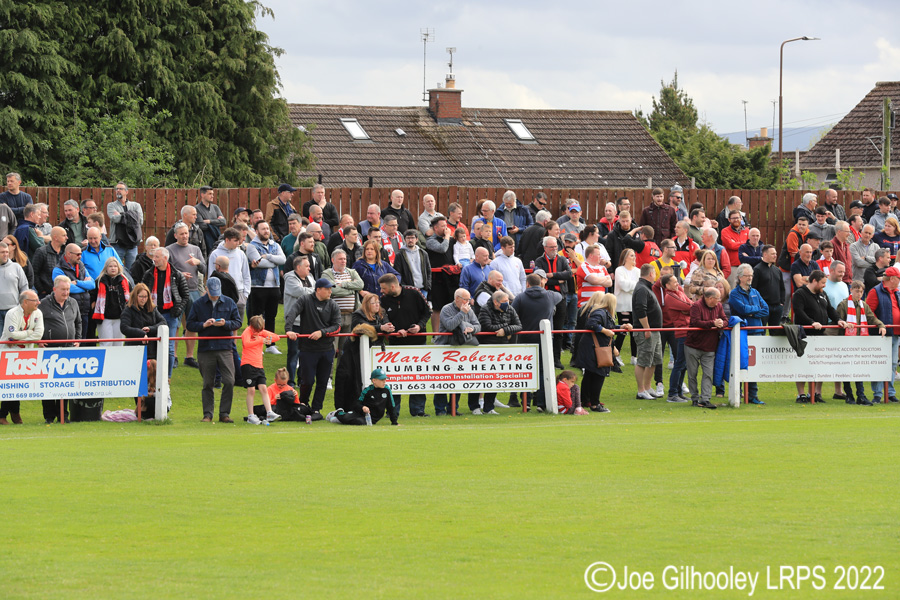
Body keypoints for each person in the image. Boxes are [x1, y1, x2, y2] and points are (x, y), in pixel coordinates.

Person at [186, 277, 242, 422]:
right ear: (207, 289)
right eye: (212, 293)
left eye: (217, 293)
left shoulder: (229, 302)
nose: (215, 296)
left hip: (225, 347)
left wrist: (225, 323)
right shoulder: (198, 304)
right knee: (207, 383)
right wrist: (203, 325)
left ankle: (224, 414)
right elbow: (190, 325)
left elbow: (238, 322)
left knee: (229, 381)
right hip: (206, 348)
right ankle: (207, 414)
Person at [284, 278, 341, 415]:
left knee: (322, 381)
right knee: (307, 380)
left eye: (330, 289)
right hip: (308, 349)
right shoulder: (305, 300)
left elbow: (337, 327)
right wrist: (288, 329)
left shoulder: (333, 305)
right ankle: (303, 404)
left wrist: (322, 333)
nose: (330, 291)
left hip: (327, 349)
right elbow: (292, 313)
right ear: (318, 290)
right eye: (327, 289)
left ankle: (316, 409)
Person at [378, 273, 431, 416]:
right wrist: (394, 330)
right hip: (396, 345)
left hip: (418, 343)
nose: (381, 291)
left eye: (383, 288)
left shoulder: (414, 293)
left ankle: (418, 410)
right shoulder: (383, 300)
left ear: (393, 286)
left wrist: (419, 326)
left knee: (418, 377)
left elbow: (427, 312)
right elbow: (383, 318)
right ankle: (393, 411)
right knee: (394, 379)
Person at [793, 270, 849, 403]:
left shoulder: (822, 294)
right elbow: (799, 312)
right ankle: (801, 394)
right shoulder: (800, 294)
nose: (824, 285)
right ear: (814, 281)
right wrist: (811, 322)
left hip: (821, 335)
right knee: (802, 365)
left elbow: (829, 309)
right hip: (805, 335)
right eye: (823, 283)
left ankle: (816, 393)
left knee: (819, 364)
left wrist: (838, 320)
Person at [512, 273, 563, 411]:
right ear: (541, 283)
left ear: (527, 284)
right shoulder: (550, 296)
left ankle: (526, 402)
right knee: (543, 370)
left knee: (526, 370)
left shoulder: (521, 297)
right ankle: (541, 403)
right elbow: (560, 296)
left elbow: (513, 314)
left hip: (525, 338)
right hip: (544, 339)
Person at [833, 280, 884, 405]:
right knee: (846, 369)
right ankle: (849, 394)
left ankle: (860, 394)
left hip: (859, 342)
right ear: (851, 290)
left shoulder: (864, 305)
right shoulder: (843, 305)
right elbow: (838, 321)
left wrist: (880, 325)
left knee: (859, 368)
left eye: (861, 291)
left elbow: (871, 317)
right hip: (845, 342)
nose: (859, 294)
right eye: (857, 291)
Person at [38, 276, 81, 423]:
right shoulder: (43, 304)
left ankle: (64, 415)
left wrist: (78, 339)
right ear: (54, 289)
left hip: (68, 350)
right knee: (48, 385)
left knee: (66, 385)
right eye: (63, 289)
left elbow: (78, 322)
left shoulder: (73, 303)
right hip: (50, 350)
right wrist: (39, 340)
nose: (66, 292)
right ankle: (49, 416)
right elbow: (35, 323)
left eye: (68, 289)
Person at [434, 288, 484, 414]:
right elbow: (450, 325)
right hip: (445, 348)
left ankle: (453, 409)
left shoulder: (469, 309)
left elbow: (478, 325)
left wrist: (470, 328)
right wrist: (462, 313)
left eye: (468, 299)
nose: (468, 302)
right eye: (465, 299)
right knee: (442, 381)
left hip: (461, 349)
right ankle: (440, 409)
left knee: (458, 379)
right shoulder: (446, 309)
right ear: (457, 299)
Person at [239, 315, 295, 424]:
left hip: (259, 365)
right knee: (251, 390)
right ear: (251, 326)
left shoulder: (260, 332)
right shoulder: (247, 332)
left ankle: (269, 412)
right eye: (256, 330)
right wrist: (261, 340)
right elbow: (246, 343)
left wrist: (266, 337)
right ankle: (251, 415)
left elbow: (276, 337)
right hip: (248, 365)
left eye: (259, 330)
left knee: (263, 388)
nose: (257, 332)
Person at [0, 290, 43, 424]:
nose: (38, 302)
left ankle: (11, 414)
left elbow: (38, 335)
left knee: (18, 386)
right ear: (25, 302)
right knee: (9, 385)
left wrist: (21, 337)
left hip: (26, 355)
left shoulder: (38, 313)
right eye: (35, 300)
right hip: (8, 354)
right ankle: (8, 414)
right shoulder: (12, 313)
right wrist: (30, 333)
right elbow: (11, 335)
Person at [571, 292, 619, 412]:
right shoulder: (600, 312)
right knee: (598, 375)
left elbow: (609, 327)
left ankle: (586, 400)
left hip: (592, 348)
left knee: (590, 375)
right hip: (594, 349)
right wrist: (604, 331)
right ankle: (594, 404)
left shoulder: (601, 312)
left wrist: (622, 326)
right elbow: (592, 325)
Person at [478, 289, 523, 409]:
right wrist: (507, 328)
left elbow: (519, 325)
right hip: (487, 347)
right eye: (504, 301)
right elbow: (487, 327)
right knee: (484, 376)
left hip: (502, 347)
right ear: (496, 302)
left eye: (508, 301)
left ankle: (490, 404)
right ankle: (478, 404)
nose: (507, 303)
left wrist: (505, 331)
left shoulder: (510, 309)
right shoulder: (485, 310)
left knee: (496, 377)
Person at [246, 220, 285, 348]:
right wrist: (275, 261)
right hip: (258, 287)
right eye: (263, 229)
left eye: (267, 228)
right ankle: (254, 343)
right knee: (256, 317)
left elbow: (283, 259)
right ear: (256, 231)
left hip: (274, 286)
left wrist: (268, 256)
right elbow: (259, 263)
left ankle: (270, 345)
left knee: (271, 316)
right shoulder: (252, 246)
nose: (266, 231)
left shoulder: (275, 245)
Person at [684, 288, 726, 409]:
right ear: (709, 298)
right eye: (717, 298)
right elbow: (696, 322)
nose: (719, 301)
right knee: (692, 373)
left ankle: (705, 399)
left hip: (710, 347)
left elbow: (725, 320)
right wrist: (713, 323)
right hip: (693, 345)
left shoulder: (719, 306)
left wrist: (722, 323)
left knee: (708, 374)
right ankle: (694, 398)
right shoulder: (696, 306)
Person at [865, 266, 900, 403]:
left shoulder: (896, 292)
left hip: (895, 333)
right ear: (891, 278)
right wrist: (880, 324)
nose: (899, 281)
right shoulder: (875, 291)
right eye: (898, 278)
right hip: (881, 335)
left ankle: (890, 392)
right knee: (879, 364)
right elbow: (869, 312)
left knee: (892, 364)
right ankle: (878, 393)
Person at [632, 264, 664, 399]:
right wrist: (646, 328)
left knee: (654, 360)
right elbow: (640, 309)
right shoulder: (641, 289)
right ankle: (641, 390)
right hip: (646, 330)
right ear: (650, 273)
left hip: (654, 331)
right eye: (654, 273)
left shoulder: (646, 287)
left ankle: (648, 387)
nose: (656, 275)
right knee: (643, 360)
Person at [326, 368, 399, 426]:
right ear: (374, 380)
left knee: (360, 422)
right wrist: (363, 408)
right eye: (382, 380)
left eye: (385, 379)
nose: (384, 382)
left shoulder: (387, 390)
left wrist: (394, 422)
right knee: (347, 417)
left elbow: (391, 406)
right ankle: (338, 413)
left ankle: (339, 419)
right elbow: (356, 404)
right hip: (360, 413)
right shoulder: (367, 390)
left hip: (373, 418)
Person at [207, 228, 251, 319]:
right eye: (235, 240)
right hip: (221, 293)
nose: (238, 243)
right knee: (222, 322)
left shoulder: (241, 254)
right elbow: (211, 275)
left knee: (236, 323)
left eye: (238, 240)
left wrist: (245, 294)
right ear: (227, 240)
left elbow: (246, 274)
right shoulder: (215, 254)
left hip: (239, 292)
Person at [91, 257, 129, 347]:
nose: (113, 268)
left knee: (118, 344)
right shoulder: (99, 281)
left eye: (115, 266)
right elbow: (93, 297)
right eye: (110, 266)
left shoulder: (125, 281)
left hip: (120, 317)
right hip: (104, 318)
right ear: (106, 268)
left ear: (119, 267)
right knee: (106, 343)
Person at [106, 181, 143, 270]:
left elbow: (140, 221)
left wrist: (121, 215)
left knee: (132, 270)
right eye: (117, 189)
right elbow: (115, 218)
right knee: (115, 270)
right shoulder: (111, 205)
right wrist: (132, 216)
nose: (118, 191)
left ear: (126, 192)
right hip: (117, 244)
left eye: (121, 189)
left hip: (132, 244)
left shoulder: (136, 205)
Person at [613, 248, 639, 365]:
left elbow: (639, 285)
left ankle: (634, 356)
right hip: (623, 304)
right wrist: (633, 286)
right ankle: (616, 355)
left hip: (634, 304)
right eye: (631, 255)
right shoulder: (619, 270)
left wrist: (630, 286)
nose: (633, 258)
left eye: (634, 255)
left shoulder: (637, 271)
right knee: (623, 330)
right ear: (625, 258)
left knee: (635, 331)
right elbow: (623, 285)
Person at [394, 229, 432, 300]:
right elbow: (398, 272)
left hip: (423, 289)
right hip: (408, 290)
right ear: (404, 239)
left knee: (423, 310)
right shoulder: (400, 255)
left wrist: (428, 285)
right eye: (408, 238)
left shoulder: (423, 253)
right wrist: (404, 287)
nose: (410, 240)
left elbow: (428, 270)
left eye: (412, 238)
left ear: (417, 239)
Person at [0, 240, 28, 323]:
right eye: (2, 252)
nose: (5, 255)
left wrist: (22, 306)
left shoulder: (16, 267)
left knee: (13, 336)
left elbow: (24, 287)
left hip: (13, 310)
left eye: (6, 252)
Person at [195, 185, 226, 253]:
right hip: (204, 241)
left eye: (213, 194)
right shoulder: (197, 209)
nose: (212, 196)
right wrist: (217, 222)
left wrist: (209, 221)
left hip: (216, 239)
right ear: (202, 195)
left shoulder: (215, 208)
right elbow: (202, 226)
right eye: (210, 194)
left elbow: (223, 222)